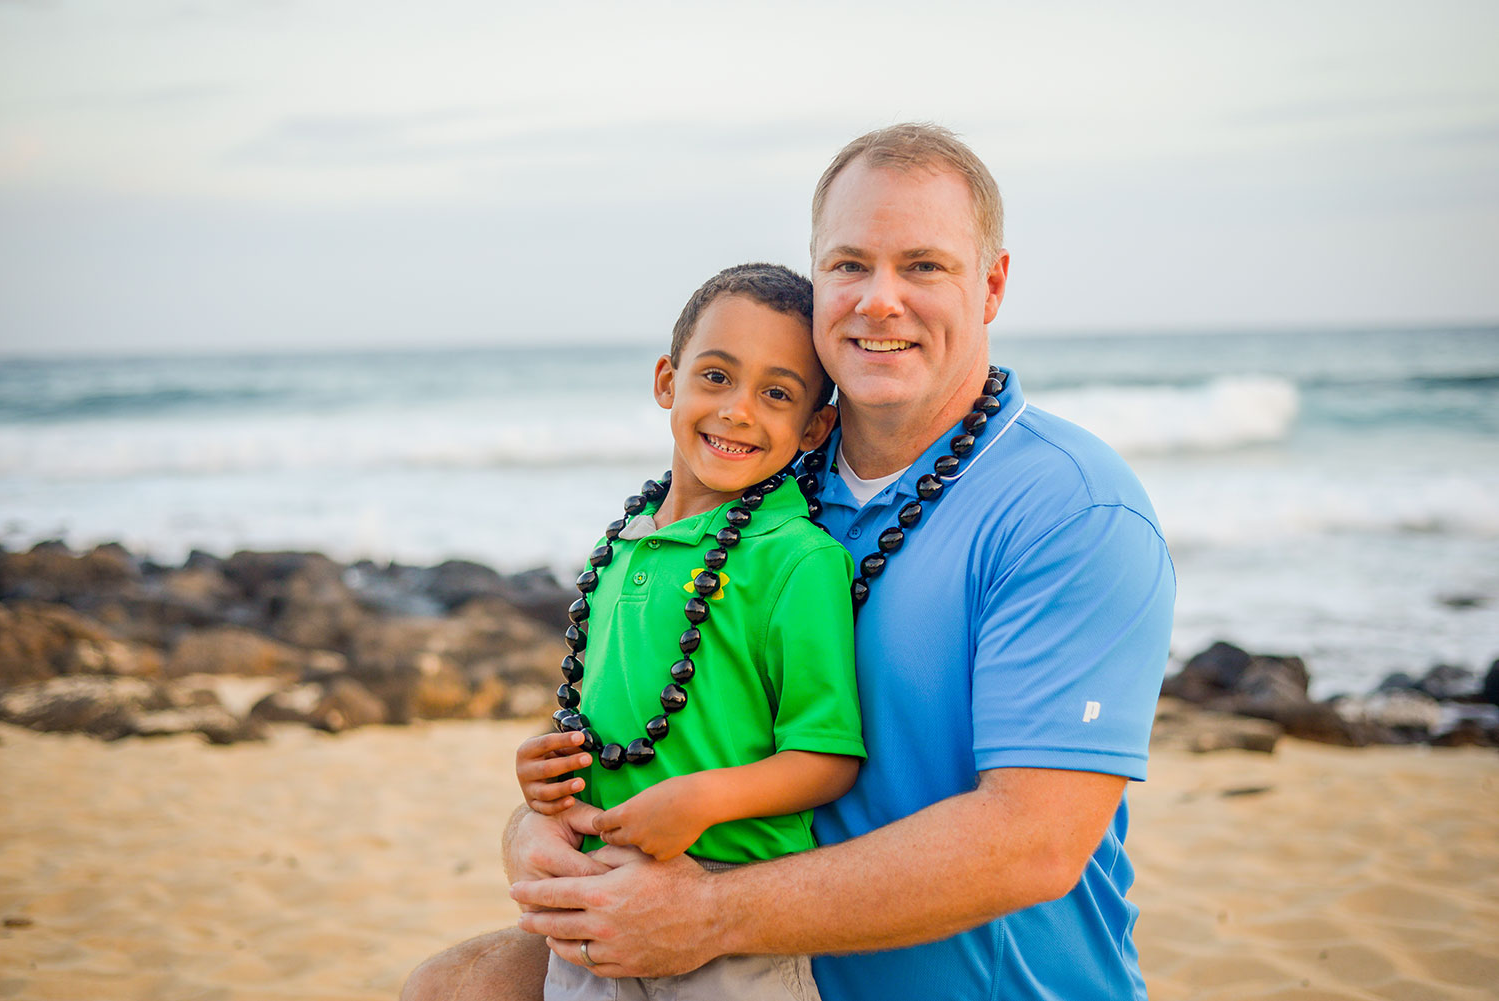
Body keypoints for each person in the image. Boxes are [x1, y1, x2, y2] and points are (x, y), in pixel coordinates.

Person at [403, 123, 1174, 1001]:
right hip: (744, 955)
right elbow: (649, 725)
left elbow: (1033, 842)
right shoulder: (758, 482)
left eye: (923, 265)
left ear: (991, 284)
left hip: (944, 978)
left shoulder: (1069, 508)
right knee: (454, 985)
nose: (880, 299)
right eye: (848, 265)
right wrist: (533, 830)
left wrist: (710, 913)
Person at [516, 262, 865, 1000]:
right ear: (667, 382)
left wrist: (703, 800)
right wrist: (547, 777)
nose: (739, 410)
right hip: (597, 902)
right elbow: (607, 724)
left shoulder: (798, 560)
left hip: (731, 917)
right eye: (716, 376)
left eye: (777, 393)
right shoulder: (623, 547)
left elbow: (828, 757)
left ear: (814, 427)